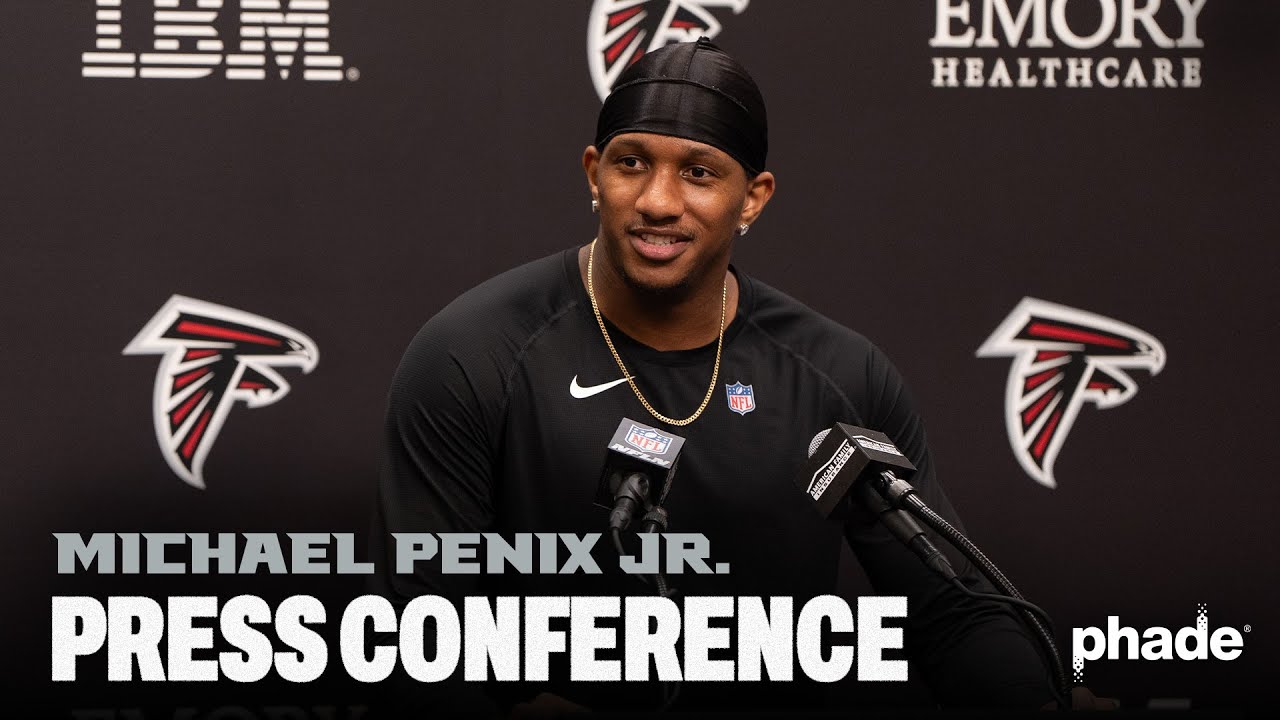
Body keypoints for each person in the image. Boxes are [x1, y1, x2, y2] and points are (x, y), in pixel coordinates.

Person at [370, 38, 1077, 715]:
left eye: (699, 172)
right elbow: (414, 639)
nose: (657, 201)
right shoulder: (473, 353)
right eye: (631, 164)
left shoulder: (836, 374)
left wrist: (1039, 701)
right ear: (593, 173)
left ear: (753, 197)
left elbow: (952, 612)